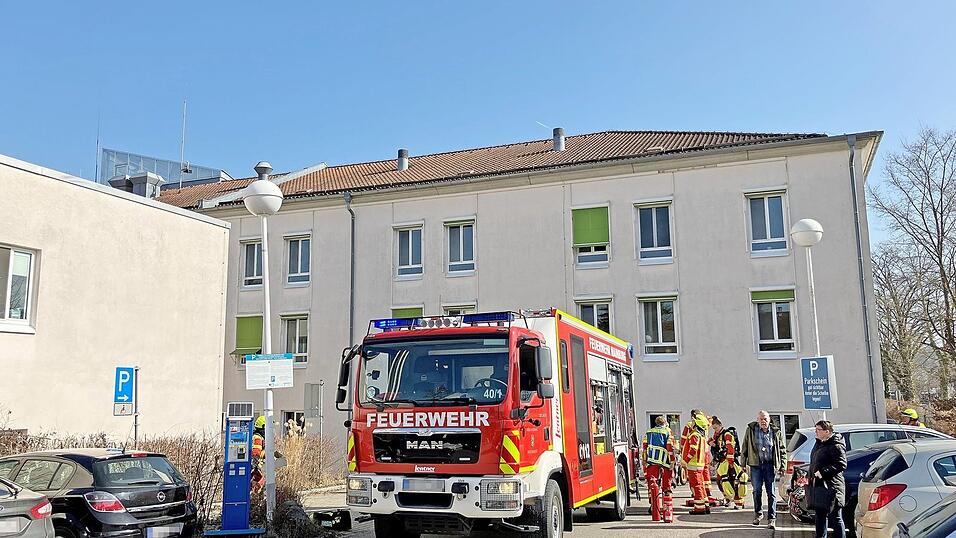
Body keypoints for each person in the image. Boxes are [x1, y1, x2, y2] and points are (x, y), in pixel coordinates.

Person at [739, 410, 787, 529]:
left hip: (770, 465)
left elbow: (782, 449)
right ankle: (758, 514)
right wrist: (743, 464)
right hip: (756, 465)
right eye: (761, 419)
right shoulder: (751, 430)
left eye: (765, 419)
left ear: (769, 420)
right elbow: (745, 446)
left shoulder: (776, 432)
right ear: (757, 420)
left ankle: (772, 518)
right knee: (757, 491)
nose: (763, 421)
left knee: (771, 492)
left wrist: (783, 466)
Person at [808, 420, 847, 538]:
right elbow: (814, 462)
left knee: (835, 517)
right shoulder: (819, 443)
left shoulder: (836, 445)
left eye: (818, 430)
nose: (816, 432)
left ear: (827, 431)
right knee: (820, 515)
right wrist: (809, 476)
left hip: (832, 487)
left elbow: (841, 464)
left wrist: (823, 472)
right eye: (815, 429)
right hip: (820, 486)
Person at [642, 416, 676, 521]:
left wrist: (644, 460)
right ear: (665, 423)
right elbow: (670, 448)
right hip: (665, 461)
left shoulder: (648, 432)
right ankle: (667, 507)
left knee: (653, 483)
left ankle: (653, 507)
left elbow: (644, 448)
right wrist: (672, 461)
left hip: (652, 461)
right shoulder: (667, 432)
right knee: (667, 483)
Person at [711, 416, 748, 510]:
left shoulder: (727, 434)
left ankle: (738, 502)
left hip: (730, 461)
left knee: (732, 481)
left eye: (715, 428)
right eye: (713, 429)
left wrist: (731, 462)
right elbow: (720, 449)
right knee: (721, 481)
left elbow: (730, 448)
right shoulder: (718, 435)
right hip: (723, 461)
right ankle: (728, 498)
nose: (715, 430)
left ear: (720, 425)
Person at [681, 413, 711, 515]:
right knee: (701, 486)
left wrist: (685, 460)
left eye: (693, 421)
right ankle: (705, 505)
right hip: (699, 464)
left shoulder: (694, 435)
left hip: (694, 465)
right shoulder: (700, 436)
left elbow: (692, 450)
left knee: (696, 486)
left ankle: (699, 508)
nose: (691, 423)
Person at [250, 415, 266, 487]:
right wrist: (255, 467)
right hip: (255, 467)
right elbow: (256, 453)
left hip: (255, 466)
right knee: (258, 485)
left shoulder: (257, 436)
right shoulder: (258, 438)